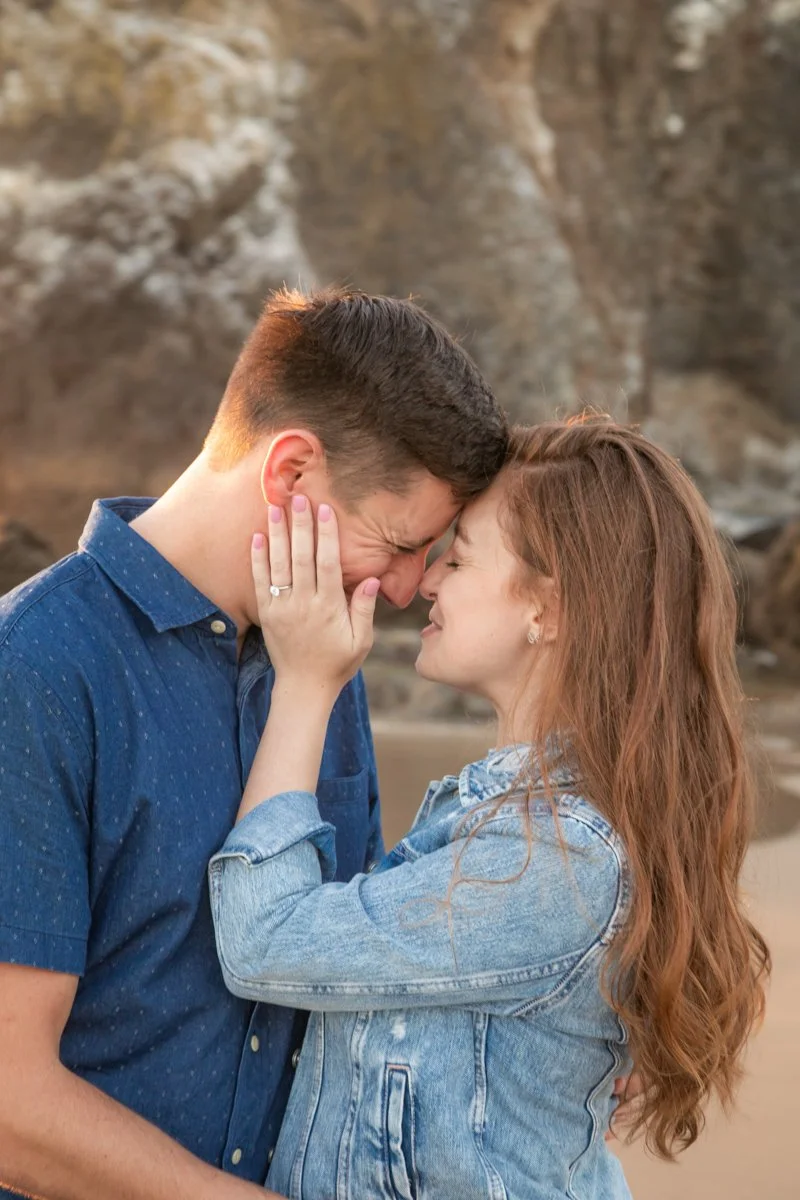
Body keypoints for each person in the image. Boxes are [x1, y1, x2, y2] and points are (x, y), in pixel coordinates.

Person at [0, 288, 508, 1200]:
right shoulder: (31, 670)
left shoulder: (319, 654)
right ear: (291, 471)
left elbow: (345, 972)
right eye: (396, 544)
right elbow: (9, 1101)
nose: (401, 593)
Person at [209, 416, 770, 1200]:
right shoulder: (518, 827)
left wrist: (306, 682)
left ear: (550, 608)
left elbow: (264, 940)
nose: (428, 581)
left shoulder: (555, 860)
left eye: (460, 556)